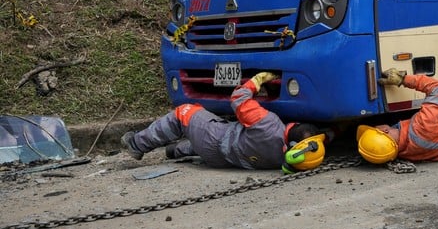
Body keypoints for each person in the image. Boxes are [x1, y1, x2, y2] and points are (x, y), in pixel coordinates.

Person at [121, 72, 322, 170]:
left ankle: (137, 144)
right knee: (217, 138)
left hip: (213, 141)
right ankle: (176, 150)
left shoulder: (268, 124)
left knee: (184, 113)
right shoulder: (284, 159)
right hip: (219, 160)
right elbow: (322, 139)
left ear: (292, 125)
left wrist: (258, 80)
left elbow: (238, 99)